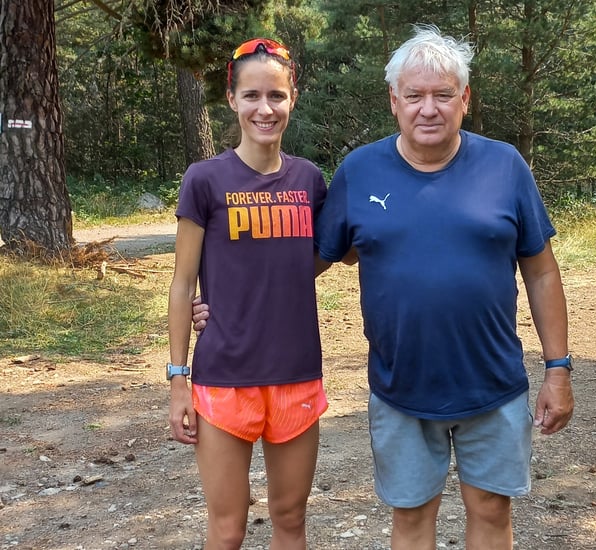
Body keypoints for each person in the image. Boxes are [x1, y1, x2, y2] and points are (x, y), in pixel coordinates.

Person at [195, 24, 574, 550]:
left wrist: (558, 368)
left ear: (464, 98)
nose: (429, 108)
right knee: (412, 517)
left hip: (492, 384)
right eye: (414, 95)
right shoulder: (360, 172)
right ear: (393, 100)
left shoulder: (505, 166)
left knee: (490, 510)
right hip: (399, 389)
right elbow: (308, 261)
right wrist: (225, 300)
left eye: (443, 95)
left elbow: (542, 270)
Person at [168, 37, 328, 550]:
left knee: (290, 519)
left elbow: (314, 257)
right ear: (232, 99)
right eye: (253, 95)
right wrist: (177, 378)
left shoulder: (310, 180)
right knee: (228, 527)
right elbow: (181, 283)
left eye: (276, 96)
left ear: (293, 98)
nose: (266, 108)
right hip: (223, 378)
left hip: (296, 373)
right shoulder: (204, 180)